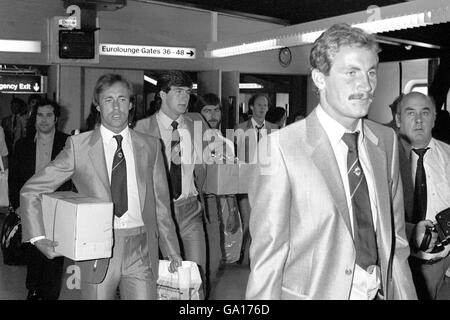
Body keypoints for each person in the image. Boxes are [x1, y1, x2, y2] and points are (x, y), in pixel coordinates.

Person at [245, 23, 417, 300]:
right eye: (351, 73)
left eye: (371, 71)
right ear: (320, 79)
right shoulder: (280, 148)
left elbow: (395, 242)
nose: (366, 85)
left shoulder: (385, 141)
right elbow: (268, 258)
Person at [19, 74, 182, 300]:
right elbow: (32, 190)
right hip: (97, 249)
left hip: (141, 248)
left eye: (122, 99)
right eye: (108, 100)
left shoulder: (150, 146)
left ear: (131, 104)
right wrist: (38, 237)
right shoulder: (79, 147)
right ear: (97, 105)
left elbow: (162, 206)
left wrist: (172, 250)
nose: (116, 107)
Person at [134, 70, 208, 298]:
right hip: (157, 215)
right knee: (157, 282)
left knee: (196, 279)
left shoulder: (197, 123)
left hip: (190, 210)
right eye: (178, 92)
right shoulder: (141, 129)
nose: (185, 97)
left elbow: (208, 165)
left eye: (187, 92)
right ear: (162, 94)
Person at [9, 98, 72, 300]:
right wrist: (17, 205)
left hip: (57, 207)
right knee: (34, 250)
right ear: (34, 118)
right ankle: (33, 289)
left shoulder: (68, 143)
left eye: (49, 115)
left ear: (56, 119)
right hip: (31, 207)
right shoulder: (22, 145)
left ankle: (50, 293)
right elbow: (15, 178)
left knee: (54, 251)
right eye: (40, 115)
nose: (44, 120)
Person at [396, 92, 450, 300]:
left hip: (445, 267)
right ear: (398, 119)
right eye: (411, 113)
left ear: (434, 118)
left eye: (425, 113)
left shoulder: (448, 155)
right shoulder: (382, 159)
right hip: (405, 268)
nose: (419, 120)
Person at [192, 93, 240, 298]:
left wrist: (232, 211)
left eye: (216, 110)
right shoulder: (188, 138)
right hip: (188, 203)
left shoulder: (225, 143)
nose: (212, 115)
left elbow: (228, 179)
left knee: (213, 261)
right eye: (206, 110)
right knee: (193, 262)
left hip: (212, 203)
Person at [234, 94, 278, 266]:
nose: (262, 108)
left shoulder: (274, 128)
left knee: (263, 220)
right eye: (259, 105)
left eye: (265, 105)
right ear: (251, 107)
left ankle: (257, 255)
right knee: (247, 219)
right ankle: (243, 251)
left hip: (266, 182)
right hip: (245, 181)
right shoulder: (240, 128)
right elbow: (234, 155)